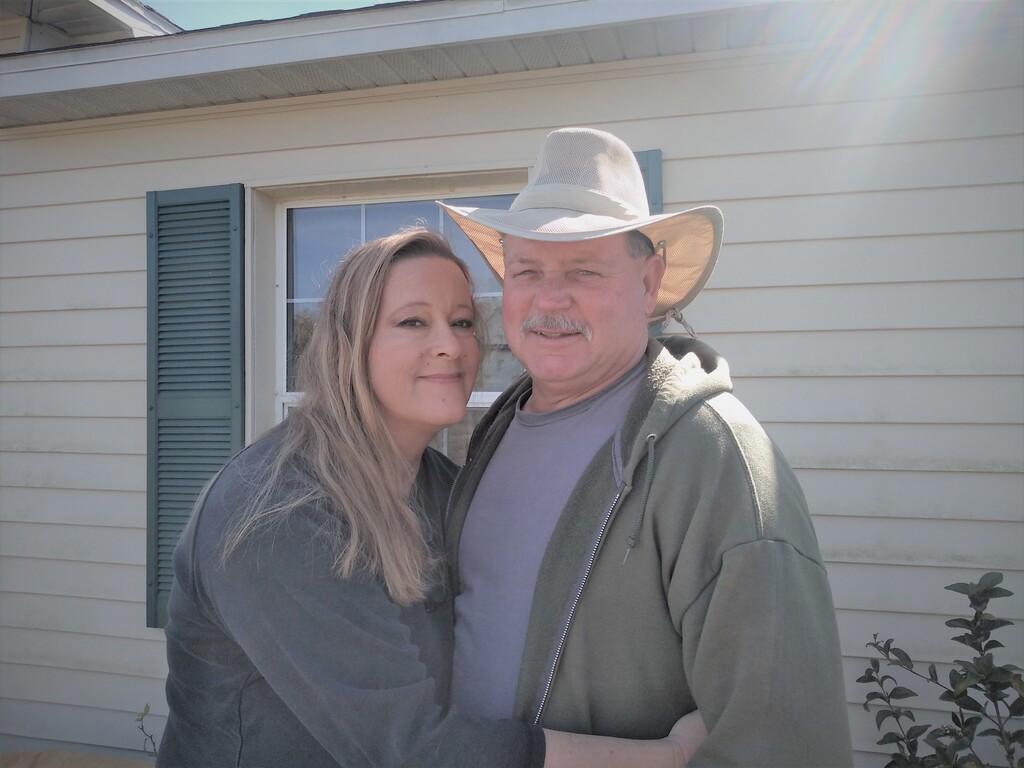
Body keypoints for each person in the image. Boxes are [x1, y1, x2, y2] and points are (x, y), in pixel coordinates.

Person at [158, 228, 706, 767]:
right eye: (413, 322)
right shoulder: (276, 514)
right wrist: (672, 757)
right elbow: (412, 749)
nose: (450, 344)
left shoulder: (448, 489)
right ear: (350, 345)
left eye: (462, 322)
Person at [439, 128, 854, 766]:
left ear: (649, 281)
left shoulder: (716, 459)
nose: (549, 299)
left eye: (584, 270)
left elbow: (780, 741)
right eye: (526, 271)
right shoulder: (498, 428)